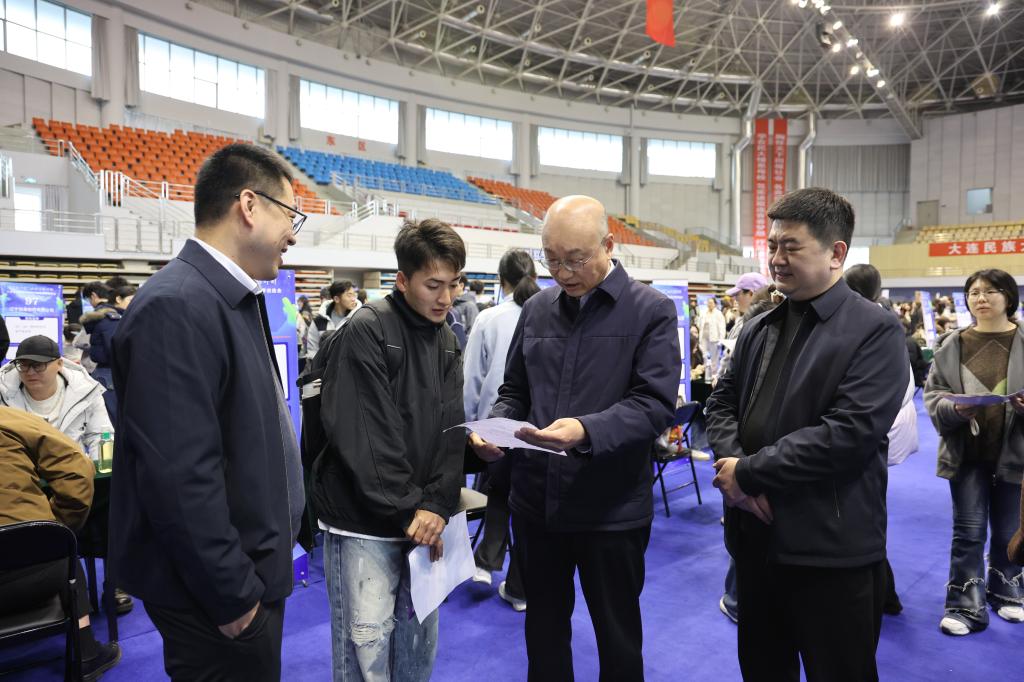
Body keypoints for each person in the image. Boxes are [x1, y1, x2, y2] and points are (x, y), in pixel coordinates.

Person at [108, 143, 304, 681]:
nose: (293, 234)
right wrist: (233, 598)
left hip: (246, 577)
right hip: (221, 599)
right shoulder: (177, 305)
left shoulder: (223, 298)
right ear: (250, 206)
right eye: (290, 215)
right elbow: (179, 476)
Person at [469, 195, 681, 681]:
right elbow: (514, 390)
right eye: (551, 259)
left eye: (576, 259)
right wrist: (498, 427)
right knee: (543, 634)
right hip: (536, 503)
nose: (562, 272)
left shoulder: (650, 310)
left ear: (609, 245)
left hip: (611, 510)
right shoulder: (536, 310)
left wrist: (587, 430)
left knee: (617, 637)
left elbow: (653, 404)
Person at [706, 188, 907, 682]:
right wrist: (735, 472)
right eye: (772, 245)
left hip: (830, 549)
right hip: (756, 542)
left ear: (836, 253)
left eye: (791, 247)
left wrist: (748, 474)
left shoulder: (875, 330)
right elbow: (721, 404)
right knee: (762, 669)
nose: (776, 259)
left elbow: (849, 433)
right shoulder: (759, 326)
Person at [311, 218, 467, 682]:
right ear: (402, 280)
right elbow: (365, 435)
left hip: (422, 521)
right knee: (367, 652)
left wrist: (437, 504)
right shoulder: (367, 329)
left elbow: (450, 428)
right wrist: (412, 511)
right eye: (433, 285)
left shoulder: (446, 339)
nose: (446, 297)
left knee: (417, 650)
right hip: (365, 523)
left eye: (454, 284)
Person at [923, 268, 1024, 636]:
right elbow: (933, 394)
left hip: (1015, 452)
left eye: (991, 291)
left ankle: (1007, 589)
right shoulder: (952, 343)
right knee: (967, 531)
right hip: (966, 452)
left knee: (1010, 530)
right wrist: (954, 408)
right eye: (974, 292)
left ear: (1008, 297)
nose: (981, 298)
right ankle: (965, 603)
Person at [0, 407, 121, 680]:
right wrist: (57, 528)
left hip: (24, 570)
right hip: (34, 572)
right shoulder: (10, 420)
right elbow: (76, 470)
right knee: (65, 554)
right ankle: (86, 653)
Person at [464, 250, 540, 611]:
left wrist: (468, 426)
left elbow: (472, 380)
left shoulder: (489, 318)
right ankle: (517, 584)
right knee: (526, 505)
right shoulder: (551, 314)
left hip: (495, 425)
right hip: (541, 428)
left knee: (498, 488)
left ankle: (486, 560)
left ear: (501, 280)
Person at [844, 263, 919, 616]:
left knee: (862, 516)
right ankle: (884, 595)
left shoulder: (868, 324)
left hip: (869, 435)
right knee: (868, 513)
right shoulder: (885, 321)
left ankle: (882, 595)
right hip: (878, 431)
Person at [0, 335, 113, 461]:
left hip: (70, 465)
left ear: (59, 364)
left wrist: (102, 469)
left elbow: (100, 435)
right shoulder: (3, 392)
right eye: (23, 365)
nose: (30, 372)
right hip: (19, 467)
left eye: (38, 365)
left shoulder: (86, 391)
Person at [715, 272, 771, 386]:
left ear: (751, 293)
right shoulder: (741, 321)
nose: (735, 299)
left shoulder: (766, 324)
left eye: (738, 294)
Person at [307, 280, 361, 359]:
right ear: (336, 299)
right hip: (323, 366)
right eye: (349, 295)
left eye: (354, 295)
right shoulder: (319, 321)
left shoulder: (358, 320)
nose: (353, 299)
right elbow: (312, 351)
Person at [699, 297, 726, 381]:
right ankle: (706, 375)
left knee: (714, 359)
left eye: (711, 302)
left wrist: (721, 340)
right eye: (708, 302)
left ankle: (714, 376)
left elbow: (722, 327)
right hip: (704, 338)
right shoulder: (704, 313)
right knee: (705, 357)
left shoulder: (718, 313)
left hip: (714, 339)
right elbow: (700, 325)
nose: (709, 304)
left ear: (715, 304)